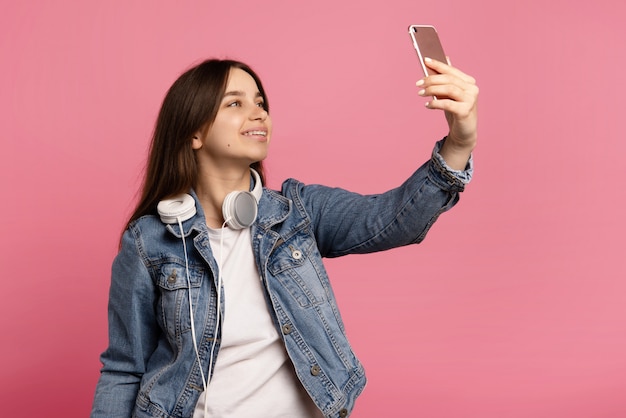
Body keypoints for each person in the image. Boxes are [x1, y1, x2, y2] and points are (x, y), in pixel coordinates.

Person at [91, 57, 478, 418]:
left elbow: (393, 219)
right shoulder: (150, 240)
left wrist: (459, 144)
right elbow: (125, 369)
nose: (258, 111)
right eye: (235, 103)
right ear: (194, 132)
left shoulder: (297, 212)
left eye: (260, 101)